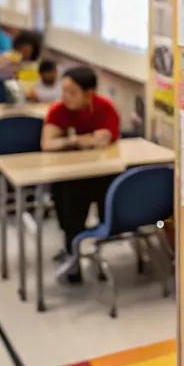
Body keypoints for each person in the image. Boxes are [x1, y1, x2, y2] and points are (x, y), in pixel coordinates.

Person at [42, 66, 120, 282]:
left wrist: (74, 141)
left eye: (71, 92)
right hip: (70, 176)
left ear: (89, 93)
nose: (65, 96)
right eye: (63, 90)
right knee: (68, 193)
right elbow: (47, 143)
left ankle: (85, 243)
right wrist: (77, 140)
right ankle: (72, 253)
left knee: (109, 187)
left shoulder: (104, 107)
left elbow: (105, 139)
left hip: (101, 174)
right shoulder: (58, 110)